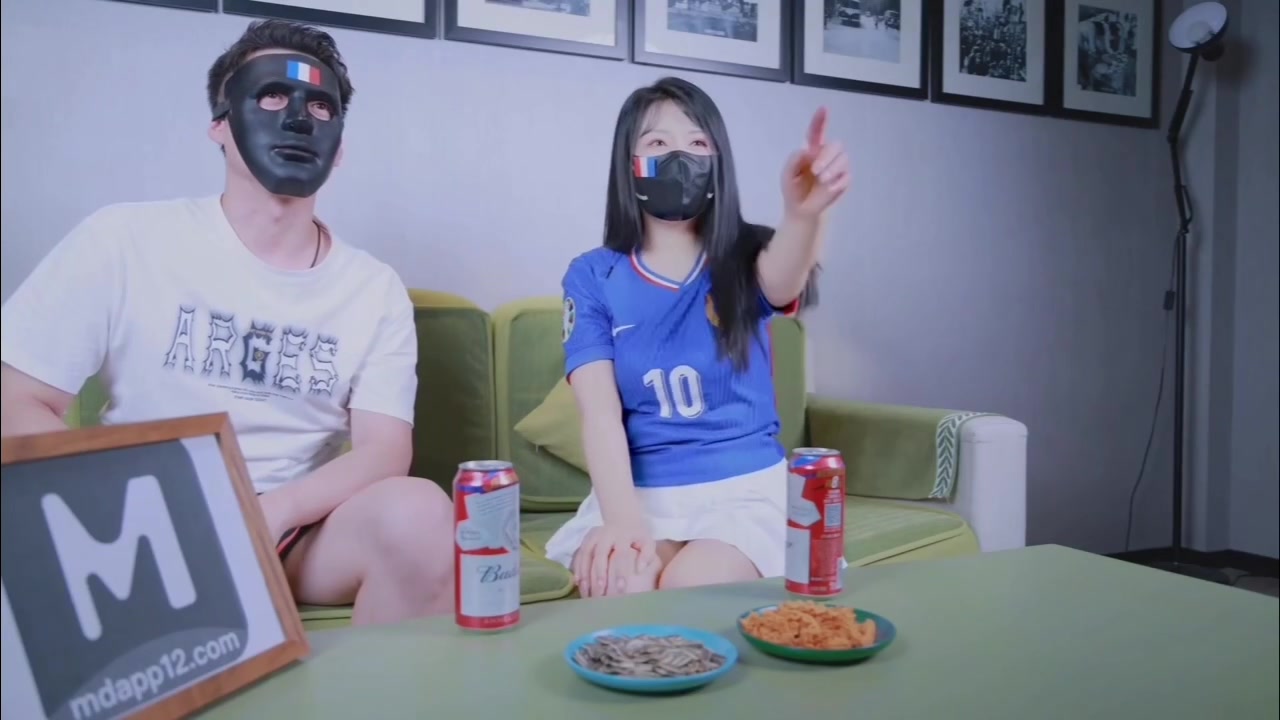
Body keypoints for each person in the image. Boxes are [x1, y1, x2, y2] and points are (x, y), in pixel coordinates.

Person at [0, 20, 453, 625]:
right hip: (139, 517)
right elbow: (15, 401)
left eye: (321, 106)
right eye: (273, 96)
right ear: (219, 123)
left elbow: (385, 450)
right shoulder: (123, 239)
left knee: (420, 513)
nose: (299, 120)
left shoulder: (374, 289)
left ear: (340, 145)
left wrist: (274, 512)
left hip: (293, 530)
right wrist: (118, 509)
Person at [545, 77, 850, 598]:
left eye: (696, 142)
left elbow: (784, 280)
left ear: (717, 160)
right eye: (657, 142)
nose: (679, 156)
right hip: (640, 494)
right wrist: (623, 525)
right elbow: (599, 414)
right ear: (629, 163)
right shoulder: (592, 275)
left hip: (744, 493)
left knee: (691, 585)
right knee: (623, 582)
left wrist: (804, 213)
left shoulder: (748, 254)